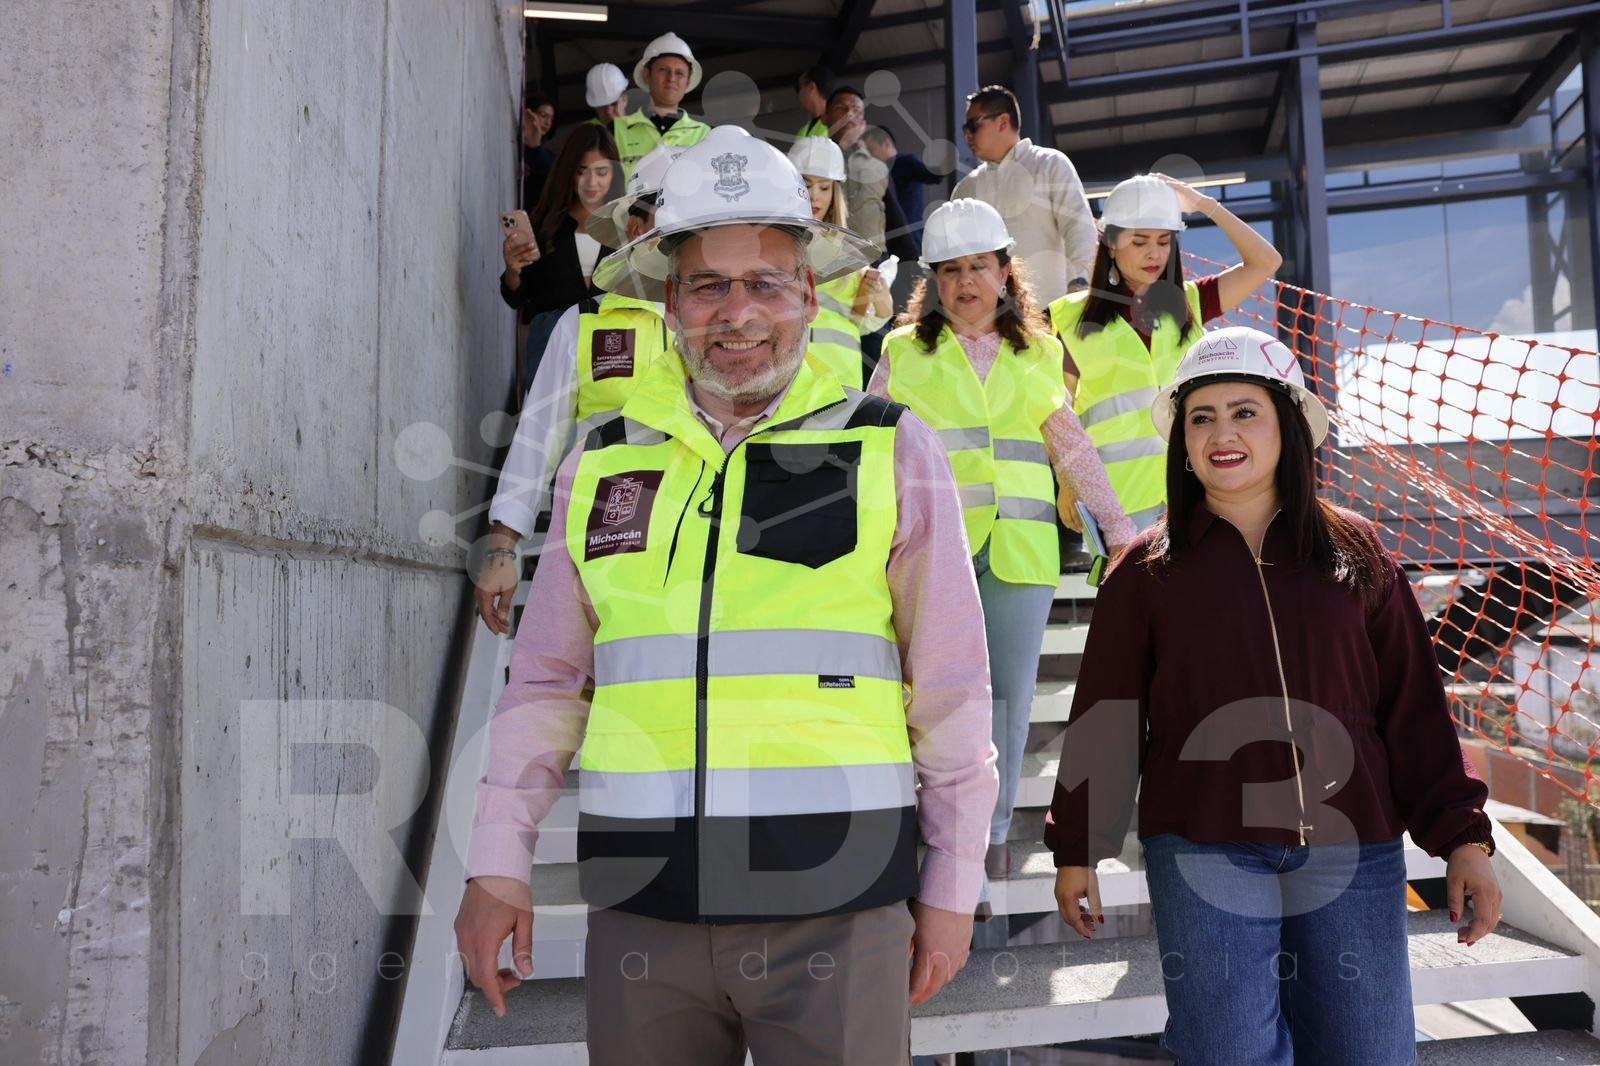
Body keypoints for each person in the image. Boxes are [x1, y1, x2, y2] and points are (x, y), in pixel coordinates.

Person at [456, 127, 998, 1063]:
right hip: (643, 914)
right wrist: (501, 859)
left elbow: (950, 686)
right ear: (670, 301)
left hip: (838, 911)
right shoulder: (604, 459)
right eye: (709, 284)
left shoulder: (890, 446)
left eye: (766, 283)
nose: (737, 314)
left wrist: (951, 888)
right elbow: (544, 685)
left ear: (810, 295)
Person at [1047, 325, 1503, 1063]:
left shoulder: (1356, 551)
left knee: (1369, 1050)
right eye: (1201, 418)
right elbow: (1107, 717)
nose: (1221, 433)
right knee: (1225, 1050)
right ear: (1182, 444)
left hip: (1352, 845)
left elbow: (1414, 708)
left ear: (1287, 427)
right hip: (1203, 847)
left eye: (1243, 411)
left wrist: (1463, 839)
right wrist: (1078, 848)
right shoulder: (1145, 570)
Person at [871, 198, 1135, 881]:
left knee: (1009, 703)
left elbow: (1071, 447)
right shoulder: (902, 351)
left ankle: (983, 840)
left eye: (979, 267)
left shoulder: (1041, 351)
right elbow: (869, 446)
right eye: (952, 270)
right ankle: (929, 830)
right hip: (932, 552)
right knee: (929, 696)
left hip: (1020, 553)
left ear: (1004, 273)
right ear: (933, 281)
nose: (966, 282)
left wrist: (1120, 530)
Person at [476, 143, 683, 635]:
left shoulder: (723, 334)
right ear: (635, 228)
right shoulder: (581, 325)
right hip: (600, 543)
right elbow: (537, 437)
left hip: (695, 542)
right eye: (667, 227)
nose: (679, 244)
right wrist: (505, 544)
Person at [1048, 172, 1283, 531]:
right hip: (1115, 504)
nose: (1154, 253)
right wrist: (1067, 479)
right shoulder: (1066, 317)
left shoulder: (1191, 302)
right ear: (1111, 243)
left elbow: (1265, 262)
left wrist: (1205, 205)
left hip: (1194, 491)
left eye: (1163, 241)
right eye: (1139, 241)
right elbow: (1055, 413)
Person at [952, 85, 1096, 306]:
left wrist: (1079, 286)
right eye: (966, 128)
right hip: (990, 322)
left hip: (1052, 312)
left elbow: (1079, 227)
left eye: (973, 125)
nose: (967, 134)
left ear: (1003, 122)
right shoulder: (966, 189)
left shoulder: (1050, 164)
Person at [787, 137, 892, 389]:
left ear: (835, 192)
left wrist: (879, 298)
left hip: (842, 385)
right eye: (805, 184)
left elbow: (867, 320)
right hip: (789, 381)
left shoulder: (848, 251)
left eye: (824, 187)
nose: (814, 196)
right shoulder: (767, 248)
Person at [501, 124, 623, 321]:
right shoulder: (545, 224)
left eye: (601, 172)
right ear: (569, 171)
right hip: (551, 344)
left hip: (611, 346)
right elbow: (516, 298)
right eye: (582, 171)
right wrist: (512, 270)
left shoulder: (628, 227)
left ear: (614, 173)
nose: (591, 182)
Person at [824, 86, 919, 263]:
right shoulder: (813, 161)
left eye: (857, 111)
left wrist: (913, 269)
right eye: (841, 109)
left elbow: (895, 219)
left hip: (872, 263)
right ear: (825, 117)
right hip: (830, 264)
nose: (850, 115)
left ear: (863, 123)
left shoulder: (875, 166)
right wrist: (843, 146)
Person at [612, 32, 710, 178]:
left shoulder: (704, 135)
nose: (671, 79)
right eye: (663, 70)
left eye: (679, 73)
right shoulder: (615, 130)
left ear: (688, 81)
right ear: (647, 75)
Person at [864, 126, 941, 249]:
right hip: (891, 238)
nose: (869, 156)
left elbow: (934, 175)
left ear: (886, 144)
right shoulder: (876, 172)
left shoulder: (905, 162)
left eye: (871, 149)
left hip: (909, 238)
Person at [520, 90, 557, 211]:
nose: (548, 122)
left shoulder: (548, 157)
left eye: (551, 119)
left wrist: (535, 147)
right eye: (543, 115)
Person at [583, 62, 630, 127]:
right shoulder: (587, 133)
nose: (608, 112)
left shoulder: (643, 130)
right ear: (595, 107)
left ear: (625, 99)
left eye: (614, 103)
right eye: (602, 106)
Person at [794, 64, 833, 138]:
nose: (798, 94)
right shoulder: (803, 131)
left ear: (812, 87)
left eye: (799, 87)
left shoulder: (836, 124)